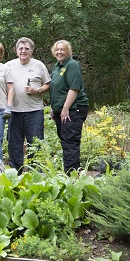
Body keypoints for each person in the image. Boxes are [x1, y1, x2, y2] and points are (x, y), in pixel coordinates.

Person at [6, 37, 50, 174]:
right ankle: (16, 172)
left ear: (31, 51)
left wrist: (38, 90)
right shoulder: (8, 66)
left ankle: (34, 172)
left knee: (35, 143)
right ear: (16, 50)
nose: (23, 51)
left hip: (34, 110)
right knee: (14, 143)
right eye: (21, 48)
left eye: (26, 48)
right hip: (14, 110)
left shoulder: (39, 65)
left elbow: (48, 84)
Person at [49, 40, 89, 175]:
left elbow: (74, 89)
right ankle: (73, 172)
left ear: (68, 51)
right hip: (60, 110)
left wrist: (65, 109)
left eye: (62, 49)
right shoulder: (57, 66)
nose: (59, 52)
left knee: (70, 142)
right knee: (65, 141)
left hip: (74, 109)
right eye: (57, 49)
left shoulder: (72, 65)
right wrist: (52, 107)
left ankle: (71, 176)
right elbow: (56, 88)